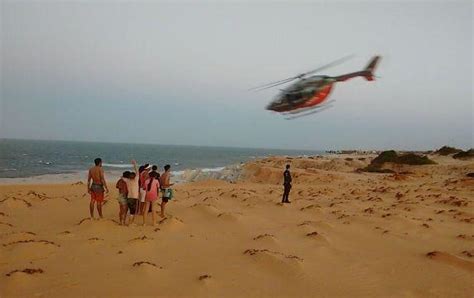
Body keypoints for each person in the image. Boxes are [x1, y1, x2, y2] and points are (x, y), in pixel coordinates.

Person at [125, 160, 140, 225]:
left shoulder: (127, 181)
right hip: (134, 198)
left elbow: (122, 177)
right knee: (132, 212)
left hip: (129, 197)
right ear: (134, 177)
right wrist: (134, 164)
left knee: (129, 210)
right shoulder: (136, 180)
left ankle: (127, 221)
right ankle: (130, 223)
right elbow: (137, 172)